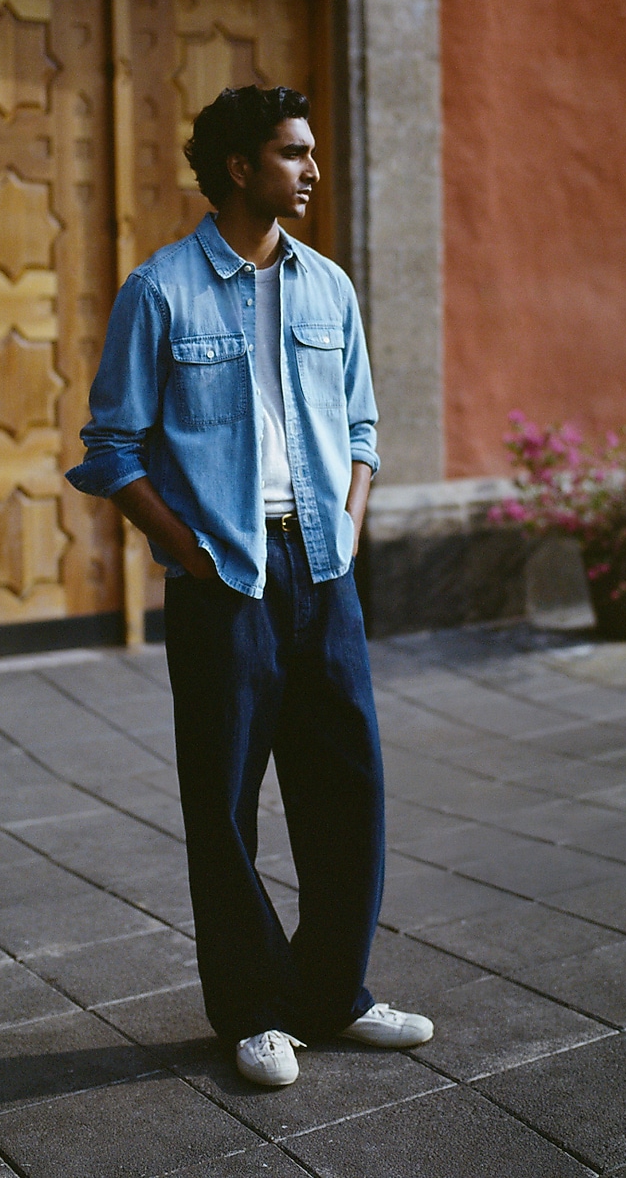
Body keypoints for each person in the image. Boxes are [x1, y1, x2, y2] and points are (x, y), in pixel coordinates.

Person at [66, 84, 432, 1088]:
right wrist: (189, 555)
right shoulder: (160, 290)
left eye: (309, 152)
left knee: (348, 789)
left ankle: (335, 994)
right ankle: (256, 1012)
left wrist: (347, 523)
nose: (312, 169)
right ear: (239, 167)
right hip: (226, 577)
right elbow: (110, 447)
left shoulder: (330, 287)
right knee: (225, 803)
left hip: (324, 568)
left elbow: (362, 428)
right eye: (292, 152)